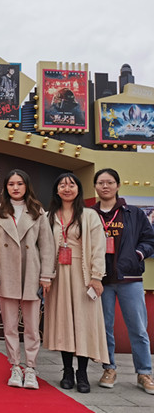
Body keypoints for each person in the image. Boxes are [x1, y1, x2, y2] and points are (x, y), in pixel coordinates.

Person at [0, 169, 55, 389]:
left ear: (27, 186)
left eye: (19, 184)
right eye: (11, 184)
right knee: (9, 326)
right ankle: (15, 366)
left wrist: (46, 276)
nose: (15, 188)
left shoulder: (37, 211)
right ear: (5, 187)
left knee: (32, 327)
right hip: (5, 272)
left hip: (32, 273)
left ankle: (31, 368)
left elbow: (46, 246)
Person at [43, 173, 108, 393]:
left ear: (79, 189)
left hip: (83, 275)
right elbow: (43, 248)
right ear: (56, 190)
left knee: (83, 323)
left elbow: (98, 247)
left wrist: (97, 276)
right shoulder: (48, 216)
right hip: (58, 275)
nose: (67, 188)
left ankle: (82, 373)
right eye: (62, 185)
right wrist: (45, 275)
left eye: (71, 185)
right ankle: (67, 371)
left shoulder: (89, 215)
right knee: (64, 323)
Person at [92, 168, 154, 395]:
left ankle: (144, 372)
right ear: (95, 187)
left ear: (117, 185)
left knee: (137, 328)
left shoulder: (133, 213)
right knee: (104, 327)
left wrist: (137, 255)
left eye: (109, 182)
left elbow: (149, 239)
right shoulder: (90, 214)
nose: (105, 186)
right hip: (101, 280)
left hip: (130, 278)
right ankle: (109, 369)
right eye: (101, 182)